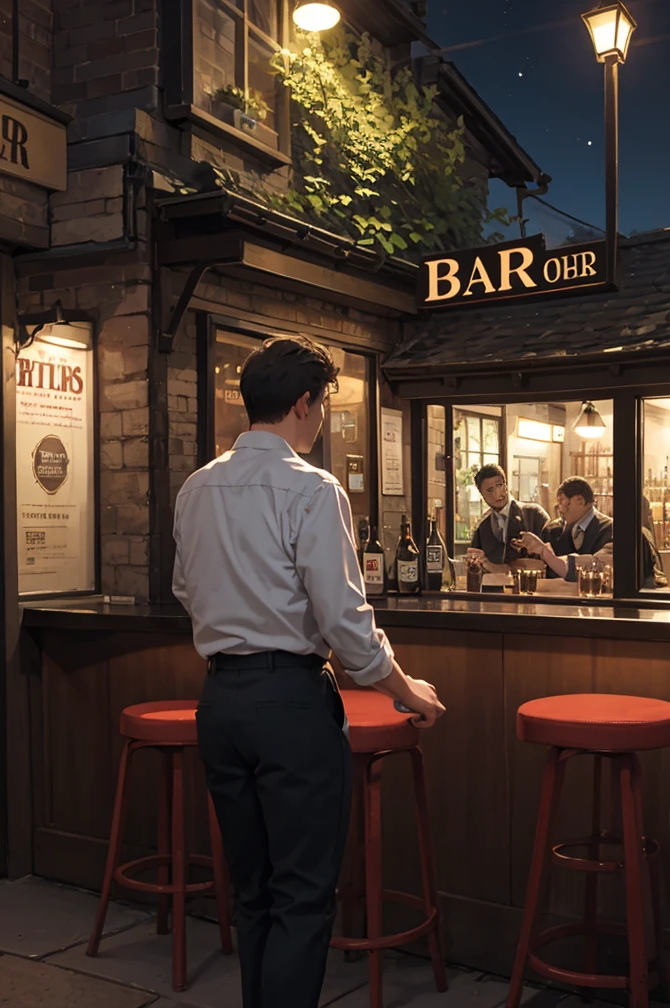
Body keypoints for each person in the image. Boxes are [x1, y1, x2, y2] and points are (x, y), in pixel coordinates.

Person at [172, 335, 446, 1008]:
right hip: (290, 705)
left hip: (220, 703)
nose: (322, 420)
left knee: (254, 891)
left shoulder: (197, 486)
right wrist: (407, 691)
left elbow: (186, 588)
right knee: (301, 896)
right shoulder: (313, 489)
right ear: (303, 404)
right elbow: (345, 623)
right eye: (322, 405)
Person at [519, 476, 613, 582]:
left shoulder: (609, 529)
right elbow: (538, 568)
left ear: (580, 500)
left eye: (562, 501)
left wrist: (546, 553)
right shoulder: (552, 529)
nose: (559, 508)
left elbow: (598, 566)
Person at [465, 464, 551, 574]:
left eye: (500, 485)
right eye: (490, 490)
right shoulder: (482, 527)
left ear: (506, 485)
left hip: (531, 584)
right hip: (493, 588)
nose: (497, 493)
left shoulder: (534, 514)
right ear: (482, 494)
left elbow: (552, 556)